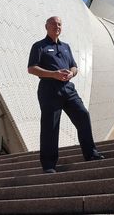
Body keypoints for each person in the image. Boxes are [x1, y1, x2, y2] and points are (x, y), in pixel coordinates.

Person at [27, 16, 104, 173]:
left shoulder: (66, 47)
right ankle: (49, 165)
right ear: (46, 26)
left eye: (60, 24)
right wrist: (53, 74)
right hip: (49, 89)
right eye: (54, 24)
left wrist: (71, 73)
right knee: (51, 126)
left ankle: (91, 153)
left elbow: (74, 66)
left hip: (68, 88)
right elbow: (32, 68)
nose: (57, 26)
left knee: (82, 115)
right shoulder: (39, 46)